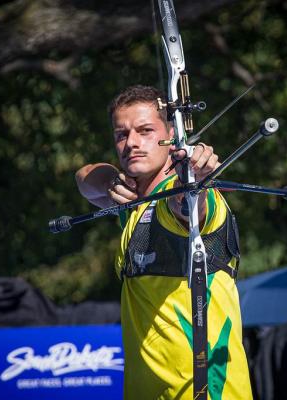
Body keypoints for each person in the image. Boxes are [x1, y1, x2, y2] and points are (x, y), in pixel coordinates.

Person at [75, 85, 252, 399]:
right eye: (121, 134)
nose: (131, 143)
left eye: (145, 131)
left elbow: (187, 207)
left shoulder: (181, 201)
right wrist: (110, 179)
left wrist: (192, 181)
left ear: (173, 135)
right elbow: (84, 178)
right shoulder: (133, 206)